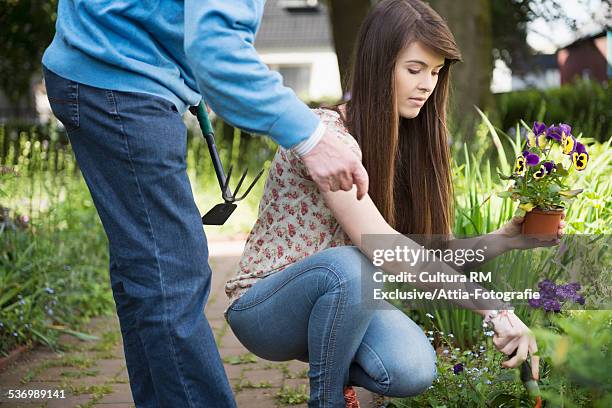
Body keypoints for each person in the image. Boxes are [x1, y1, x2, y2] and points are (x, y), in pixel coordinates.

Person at [223, 1, 565, 407]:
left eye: (435, 73)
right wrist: (493, 308)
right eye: (414, 69)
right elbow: (384, 247)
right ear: (379, 65)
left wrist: (504, 239)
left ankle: (342, 372)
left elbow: (424, 255)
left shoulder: (403, 147)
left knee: (411, 368)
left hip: (342, 302)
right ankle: (327, 400)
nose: (427, 85)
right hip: (266, 309)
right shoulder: (328, 139)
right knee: (353, 265)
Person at [41, 1, 369, 407]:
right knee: (171, 274)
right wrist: (312, 138)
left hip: (99, 61)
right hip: (119, 79)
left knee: (146, 272)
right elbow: (217, 49)